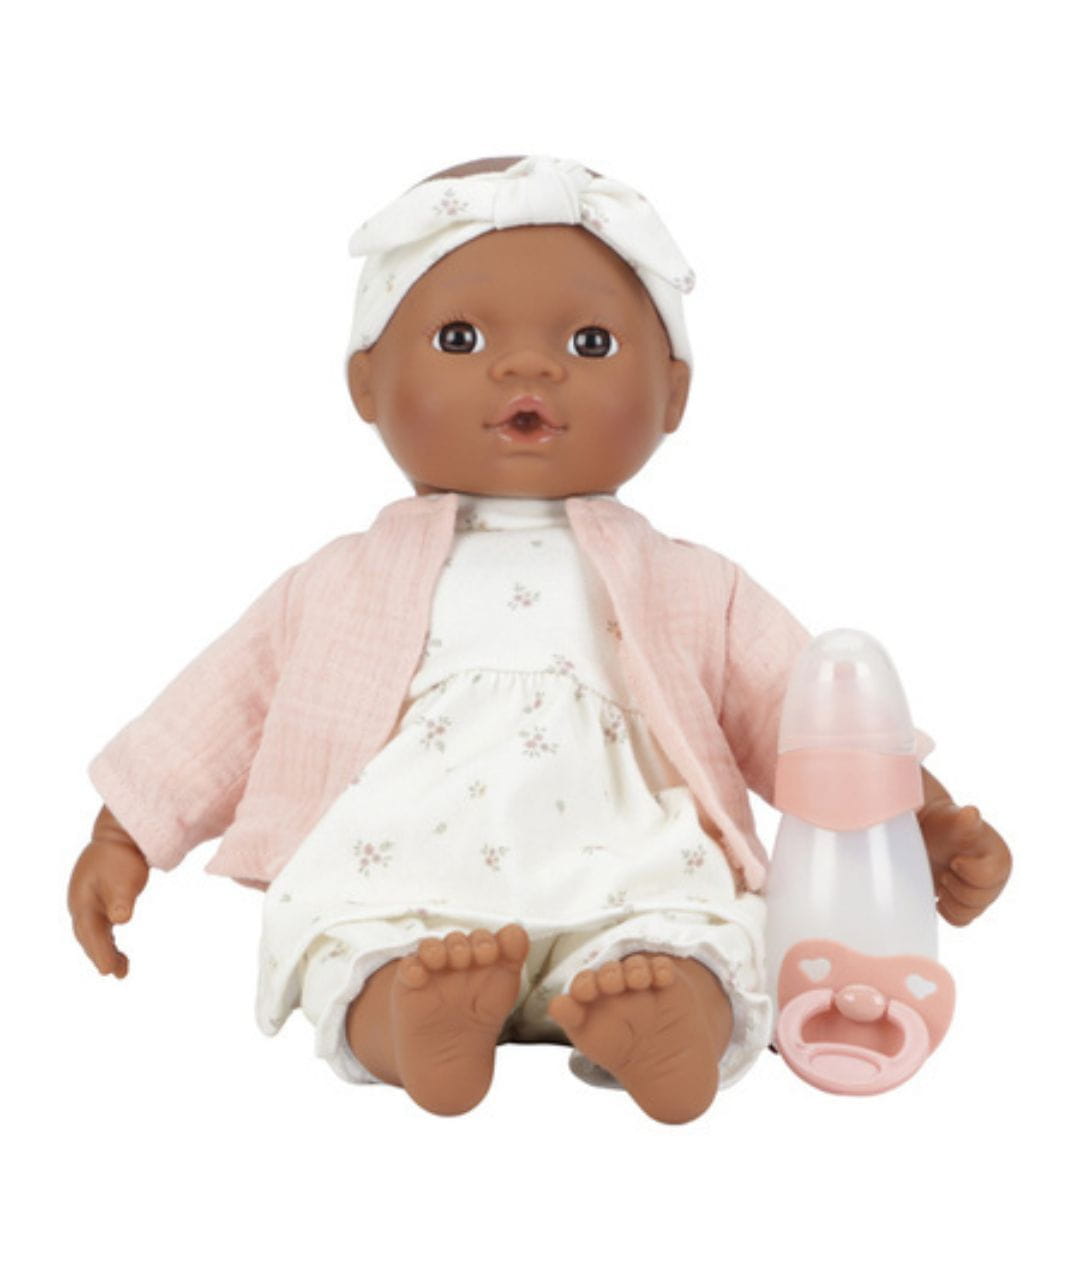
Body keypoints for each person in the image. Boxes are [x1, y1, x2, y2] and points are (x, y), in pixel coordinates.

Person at [68, 156, 1012, 1124]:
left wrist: (916, 820)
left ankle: (666, 1010)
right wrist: (127, 830)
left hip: (630, 872)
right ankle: (408, 1015)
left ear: (673, 394)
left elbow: (812, 708)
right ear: (366, 382)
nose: (529, 368)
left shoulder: (689, 583)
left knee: (700, 936)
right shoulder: (340, 580)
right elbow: (227, 700)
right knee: (351, 943)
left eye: (590, 342)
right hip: (404, 871)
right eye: (462, 337)